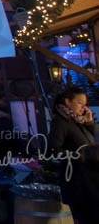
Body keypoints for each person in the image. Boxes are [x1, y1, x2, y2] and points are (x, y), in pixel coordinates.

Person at [48, 86, 99, 223]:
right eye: (79, 103)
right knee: (84, 217)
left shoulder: (79, 120)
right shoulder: (61, 122)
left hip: (90, 179)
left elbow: (93, 139)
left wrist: (89, 124)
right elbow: (54, 150)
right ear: (68, 102)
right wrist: (79, 155)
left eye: (85, 104)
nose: (83, 107)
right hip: (77, 180)